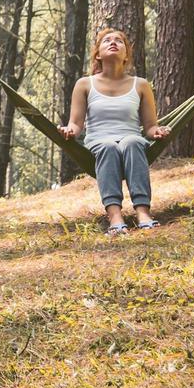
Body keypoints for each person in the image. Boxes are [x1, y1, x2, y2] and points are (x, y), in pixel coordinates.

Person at [60, 27, 169, 236]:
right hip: (98, 144)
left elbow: (149, 126)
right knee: (109, 147)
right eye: (106, 40)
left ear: (126, 54)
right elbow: (75, 123)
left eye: (119, 41)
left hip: (132, 140)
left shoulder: (141, 85)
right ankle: (115, 216)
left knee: (132, 142)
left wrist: (157, 132)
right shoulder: (84, 84)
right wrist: (68, 131)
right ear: (98, 54)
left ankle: (143, 212)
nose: (113, 43)